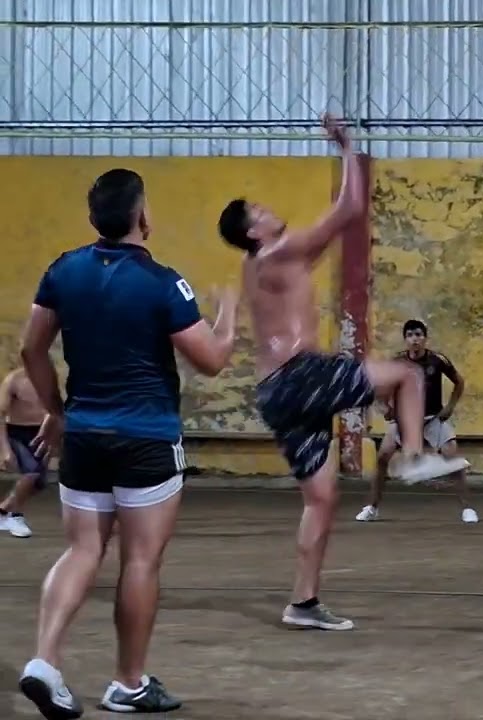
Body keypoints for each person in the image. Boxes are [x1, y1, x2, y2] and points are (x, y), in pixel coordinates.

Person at [216, 114, 468, 633]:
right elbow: (350, 208)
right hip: (298, 375)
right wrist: (348, 145)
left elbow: (320, 245)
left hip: (274, 392)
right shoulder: (279, 251)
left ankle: (303, 603)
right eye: (259, 211)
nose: (270, 210)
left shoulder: (262, 263)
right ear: (252, 230)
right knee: (406, 376)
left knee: (322, 498)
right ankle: (414, 458)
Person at [18, 167, 239, 719]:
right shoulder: (165, 282)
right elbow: (211, 361)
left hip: (85, 437)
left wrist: (56, 413)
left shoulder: (63, 271)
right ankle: (128, 684)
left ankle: (44, 662)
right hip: (147, 440)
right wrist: (230, 314)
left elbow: (32, 350)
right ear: (143, 218)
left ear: (94, 219)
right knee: (140, 561)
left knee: (83, 550)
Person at [358, 319, 477, 524]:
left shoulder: (437, 361)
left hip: (432, 420)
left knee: (453, 458)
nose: (415, 339)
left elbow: (459, 382)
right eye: (411, 335)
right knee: (382, 458)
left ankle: (467, 509)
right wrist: (386, 408)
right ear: (406, 339)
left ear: (424, 338)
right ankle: (372, 507)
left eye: (419, 335)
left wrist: (449, 407)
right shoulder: (396, 362)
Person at [1, 367, 50, 538]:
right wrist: (5, 450)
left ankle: (2, 511)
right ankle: (15, 517)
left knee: (39, 483)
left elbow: (52, 408)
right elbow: (1, 415)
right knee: (31, 472)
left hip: (40, 432)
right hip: (16, 433)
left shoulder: (48, 376)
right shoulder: (14, 380)